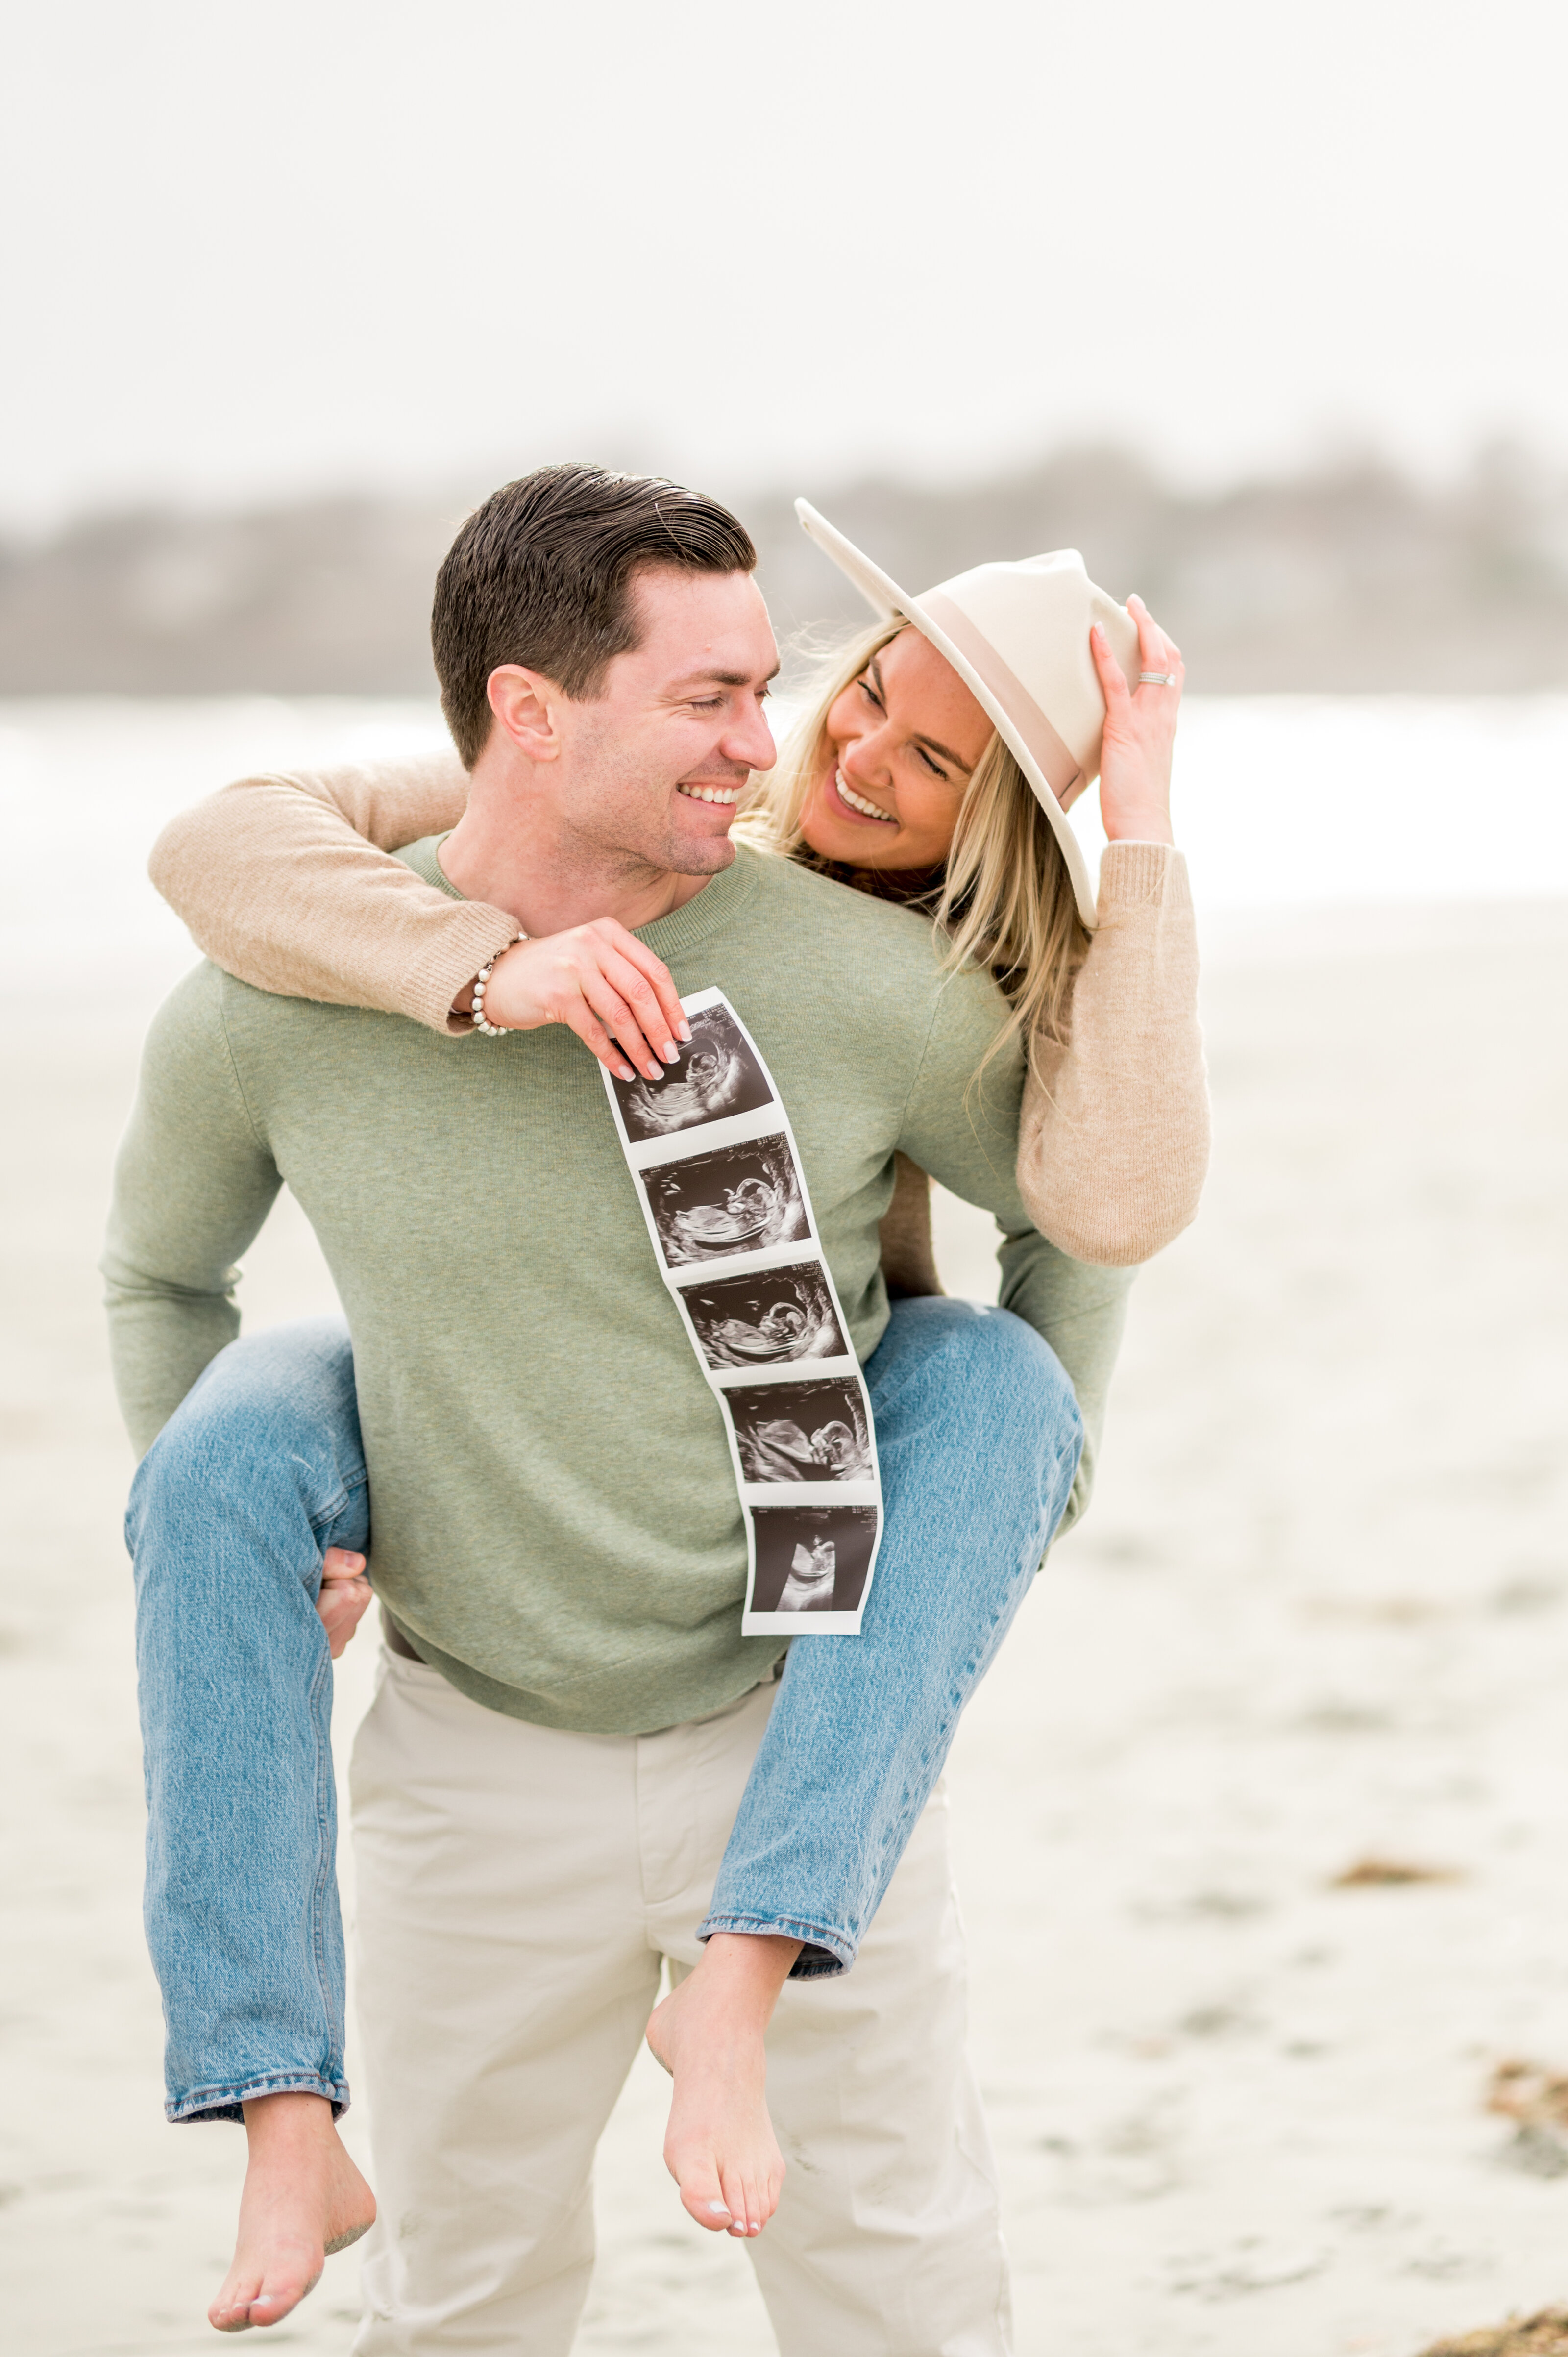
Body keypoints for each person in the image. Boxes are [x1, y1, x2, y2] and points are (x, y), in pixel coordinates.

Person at [113, 465, 1204, 2346]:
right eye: (721, 696)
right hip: (474, 1746)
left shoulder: (877, 983)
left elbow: (1090, 1211)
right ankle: (278, 2109)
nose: (786, 743)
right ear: (531, 711)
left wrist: (1025, 1482)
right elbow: (161, 1261)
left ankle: (749, 1972)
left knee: (903, 2287)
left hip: (796, 1722)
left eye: (771, 685)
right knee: (460, 2303)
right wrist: (262, 1532)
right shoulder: (283, 985)